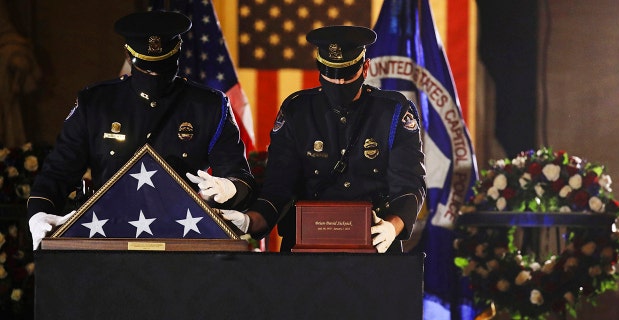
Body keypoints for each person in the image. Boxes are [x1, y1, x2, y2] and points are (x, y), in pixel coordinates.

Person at [27, 11, 256, 249]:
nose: (155, 78)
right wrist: (39, 214)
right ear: (127, 54)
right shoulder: (96, 103)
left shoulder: (208, 106)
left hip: (182, 241)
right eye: (148, 70)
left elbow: (240, 177)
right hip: (107, 237)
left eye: (163, 70)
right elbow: (58, 173)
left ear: (179, 51)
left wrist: (230, 189)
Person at [221, 25, 426, 253]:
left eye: (347, 75)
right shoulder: (297, 110)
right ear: (319, 69)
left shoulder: (393, 112)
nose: (338, 83)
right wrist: (251, 221)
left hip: (375, 242)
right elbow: (279, 185)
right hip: (305, 247)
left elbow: (409, 183)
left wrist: (392, 227)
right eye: (330, 74)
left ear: (365, 68)